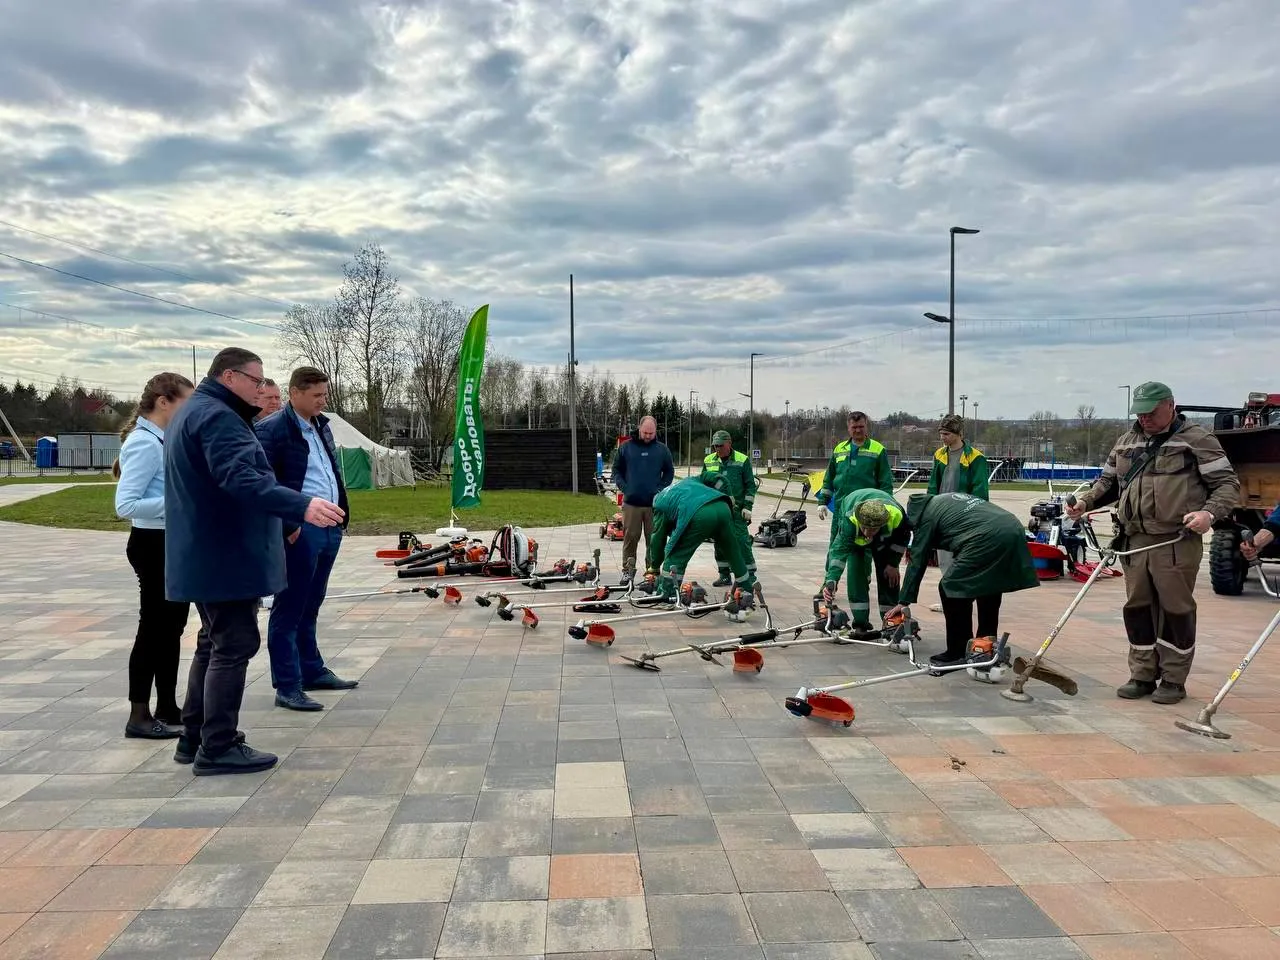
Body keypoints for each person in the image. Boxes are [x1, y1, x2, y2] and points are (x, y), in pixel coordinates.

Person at [165, 347, 345, 775]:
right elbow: (241, 479)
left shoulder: (196, 412)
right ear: (230, 377)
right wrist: (300, 505)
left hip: (206, 552)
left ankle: (195, 736)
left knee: (213, 642)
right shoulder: (219, 418)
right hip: (225, 553)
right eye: (256, 380)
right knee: (234, 644)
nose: (262, 388)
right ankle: (219, 745)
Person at [1066, 381, 1240, 704]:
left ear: (1171, 406)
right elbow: (1107, 483)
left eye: (1151, 412)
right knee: (1138, 608)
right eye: (1140, 413)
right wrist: (1084, 504)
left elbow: (1227, 484)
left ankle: (1174, 679)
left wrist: (1209, 515)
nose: (1144, 418)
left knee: (1176, 610)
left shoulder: (1197, 440)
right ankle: (1142, 674)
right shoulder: (1126, 442)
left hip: (1176, 540)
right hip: (1134, 542)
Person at [255, 366, 358, 711]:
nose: (322, 401)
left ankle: (311, 669)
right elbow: (266, 484)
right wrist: (289, 524)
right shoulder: (272, 431)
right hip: (300, 528)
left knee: (312, 602)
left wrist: (341, 512)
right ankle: (287, 684)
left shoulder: (321, 426)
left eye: (325, 395)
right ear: (294, 393)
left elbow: (329, 470)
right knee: (290, 606)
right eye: (316, 396)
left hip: (329, 526)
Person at [113, 372, 195, 739]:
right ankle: (138, 714)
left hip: (170, 542)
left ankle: (166, 705)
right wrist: (180, 502)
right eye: (184, 402)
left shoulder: (162, 438)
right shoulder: (144, 443)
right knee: (153, 629)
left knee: (172, 628)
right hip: (152, 544)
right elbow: (126, 504)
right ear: (164, 401)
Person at [885, 492, 1040, 667]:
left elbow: (917, 562)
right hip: (1012, 526)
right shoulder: (943, 501)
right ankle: (984, 646)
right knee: (990, 586)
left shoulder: (925, 518)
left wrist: (904, 601)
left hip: (986, 536)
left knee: (950, 587)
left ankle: (958, 650)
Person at [645, 479, 755, 600]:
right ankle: (746, 591)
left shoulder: (659, 504)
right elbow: (717, 477)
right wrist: (729, 494)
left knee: (676, 555)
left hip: (699, 513)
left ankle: (667, 593)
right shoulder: (688, 481)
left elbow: (657, 540)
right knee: (733, 553)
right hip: (723, 506)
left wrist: (654, 566)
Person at [819, 489, 911, 631]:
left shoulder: (897, 517)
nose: (868, 534)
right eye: (865, 528)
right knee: (856, 574)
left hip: (885, 540)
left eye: (873, 529)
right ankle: (861, 623)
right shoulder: (850, 521)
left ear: (882, 523)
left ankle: (892, 620)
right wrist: (831, 579)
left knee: (889, 577)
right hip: (853, 515)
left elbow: (901, 541)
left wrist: (892, 564)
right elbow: (838, 552)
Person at [925, 414, 990, 609]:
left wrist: (975, 515)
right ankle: (950, 597)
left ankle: (963, 596)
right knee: (944, 556)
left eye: (946, 434)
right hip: (942, 513)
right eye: (941, 434)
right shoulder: (939, 455)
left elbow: (980, 490)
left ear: (958, 433)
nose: (942, 437)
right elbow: (933, 484)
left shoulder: (976, 458)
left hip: (963, 515)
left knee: (961, 557)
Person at [611, 415, 675, 584]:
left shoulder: (662, 450)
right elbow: (616, 470)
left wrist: (660, 489)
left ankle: (651, 572)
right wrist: (625, 487)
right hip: (631, 503)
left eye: (651, 433)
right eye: (645, 432)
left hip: (654, 505)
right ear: (639, 429)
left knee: (653, 539)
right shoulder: (626, 448)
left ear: (655, 432)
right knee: (630, 537)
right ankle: (628, 570)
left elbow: (669, 472)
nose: (648, 436)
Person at [817, 412, 894, 547]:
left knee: (860, 555)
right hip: (840, 509)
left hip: (865, 513)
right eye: (854, 427)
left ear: (866, 426)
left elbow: (885, 483)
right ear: (848, 428)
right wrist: (822, 502)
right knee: (835, 550)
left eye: (861, 426)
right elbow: (829, 478)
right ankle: (831, 569)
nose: (858, 430)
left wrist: (884, 507)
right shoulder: (839, 449)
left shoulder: (878, 450)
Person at [698, 430, 758, 587]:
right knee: (720, 542)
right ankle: (724, 574)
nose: (717, 449)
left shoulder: (742, 460)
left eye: (720, 445)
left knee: (741, 541)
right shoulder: (709, 460)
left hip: (737, 510)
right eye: (715, 446)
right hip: (717, 509)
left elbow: (750, 485)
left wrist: (747, 507)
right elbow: (703, 483)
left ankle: (749, 575)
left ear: (729, 444)